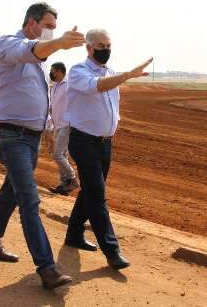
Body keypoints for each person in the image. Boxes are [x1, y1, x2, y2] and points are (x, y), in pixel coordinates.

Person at [0, 2, 85, 290]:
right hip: (9, 136)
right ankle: (47, 267)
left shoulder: (38, 65)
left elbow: (36, 95)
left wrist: (47, 128)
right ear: (31, 24)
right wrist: (60, 43)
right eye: (48, 26)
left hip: (29, 137)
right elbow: (30, 50)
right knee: (29, 199)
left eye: (54, 27)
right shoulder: (8, 45)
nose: (51, 31)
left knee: (11, 192)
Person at [64, 28, 152, 270]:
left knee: (91, 190)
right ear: (89, 48)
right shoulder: (78, 71)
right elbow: (98, 87)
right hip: (83, 141)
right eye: (100, 46)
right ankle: (112, 251)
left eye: (108, 45)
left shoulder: (111, 72)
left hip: (104, 143)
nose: (105, 50)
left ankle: (73, 234)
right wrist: (127, 75)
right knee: (97, 195)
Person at [47, 62, 78, 195]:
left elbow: (77, 101)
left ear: (59, 72)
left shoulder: (69, 85)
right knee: (63, 154)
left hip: (67, 124)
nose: (51, 73)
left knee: (57, 154)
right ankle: (64, 185)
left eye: (53, 71)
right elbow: (53, 106)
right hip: (58, 124)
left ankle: (72, 178)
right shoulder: (54, 86)